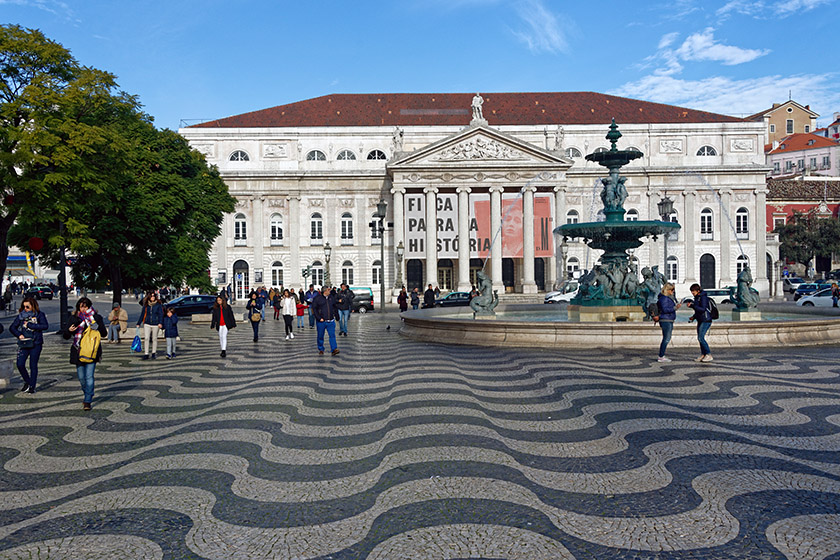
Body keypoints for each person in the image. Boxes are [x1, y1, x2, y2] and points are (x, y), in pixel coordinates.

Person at [63, 297, 107, 411]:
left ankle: (87, 400)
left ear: (89, 306)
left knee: (89, 376)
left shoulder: (96, 318)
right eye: (81, 306)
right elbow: (66, 336)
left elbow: (103, 334)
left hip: (92, 351)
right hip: (78, 351)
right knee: (82, 378)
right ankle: (87, 392)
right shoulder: (74, 318)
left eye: (86, 306)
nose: (83, 309)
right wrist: (69, 330)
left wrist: (97, 327)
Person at [10, 296, 49, 394]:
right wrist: (19, 335)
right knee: (20, 364)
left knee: (33, 365)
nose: (25, 309)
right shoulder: (21, 316)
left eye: (27, 307)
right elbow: (12, 328)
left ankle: (32, 386)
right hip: (24, 343)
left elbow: (45, 326)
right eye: (24, 307)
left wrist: (31, 325)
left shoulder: (40, 315)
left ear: (33, 306)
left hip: (36, 343)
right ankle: (28, 381)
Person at [653, 282, 681, 362]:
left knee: (666, 338)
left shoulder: (664, 298)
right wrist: (675, 308)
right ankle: (661, 356)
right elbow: (665, 310)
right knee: (666, 339)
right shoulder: (664, 298)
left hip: (667, 319)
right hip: (666, 320)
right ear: (668, 290)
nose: (673, 292)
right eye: (672, 290)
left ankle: (661, 356)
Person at [686, 283, 713, 362]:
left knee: (701, 338)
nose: (692, 293)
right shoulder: (697, 298)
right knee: (700, 338)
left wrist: (692, 306)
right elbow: (698, 311)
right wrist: (694, 317)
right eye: (691, 291)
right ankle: (703, 354)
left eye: (693, 291)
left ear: (698, 291)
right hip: (700, 319)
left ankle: (708, 354)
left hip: (706, 320)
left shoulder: (703, 298)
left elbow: (702, 309)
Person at [312, 285, 339, 355]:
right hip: (321, 321)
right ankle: (321, 348)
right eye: (329, 290)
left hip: (330, 320)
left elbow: (335, 307)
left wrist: (337, 316)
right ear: (325, 291)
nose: (330, 291)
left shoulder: (331, 298)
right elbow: (314, 309)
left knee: (332, 335)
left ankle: (334, 349)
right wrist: (319, 318)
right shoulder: (317, 299)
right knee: (320, 336)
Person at [137, 293, 164, 360]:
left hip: (155, 323)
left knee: (154, 339)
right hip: (147, 323)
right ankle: (146, 353)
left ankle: (153, 353)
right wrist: (138, 323)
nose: (152, 297)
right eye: (151, 296)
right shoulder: (146, 305)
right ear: (149, 297)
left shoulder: (158, 305)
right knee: (146, 338)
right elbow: (142, 314)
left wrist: (160, 322)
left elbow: (161, 314)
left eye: (154, 296)